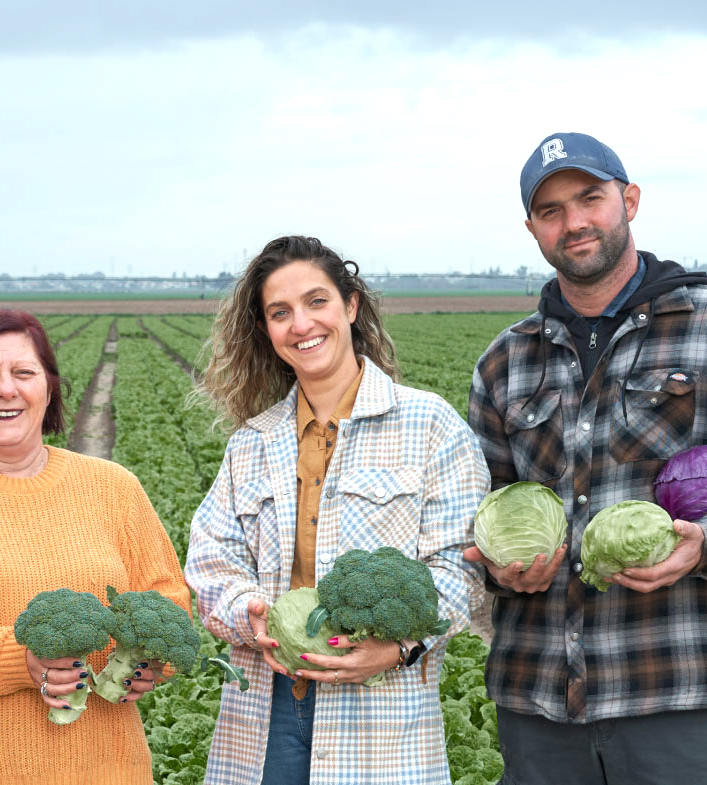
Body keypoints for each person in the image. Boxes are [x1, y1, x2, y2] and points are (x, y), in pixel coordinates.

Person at [464, 133, 707, 784]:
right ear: (532, 229)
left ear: (628, 200)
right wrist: (497, 567)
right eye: (551, 210)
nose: (574, 221)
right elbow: (481, 502)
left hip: (672, 681)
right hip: (539, 690)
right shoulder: (504, 361)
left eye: (590, 198)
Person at [183, 237, 487, 785]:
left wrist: (395, 647)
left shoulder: (430, 426)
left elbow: (461, 566)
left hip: (381, 718)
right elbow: (210, 558)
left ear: (350, 306)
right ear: (267, 331)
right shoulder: (251, 443)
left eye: (316, 301)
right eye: (280, 313)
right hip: (266, 713)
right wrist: (248, 612)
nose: (301, 324)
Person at [0, 309, 189, 785]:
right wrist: (23, 657)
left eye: (23, 373)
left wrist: (152, 659)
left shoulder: (114, 487)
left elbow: (168, 599)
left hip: (108, 767)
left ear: (48, 388)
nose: (6, 389)